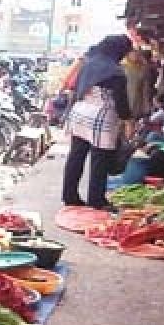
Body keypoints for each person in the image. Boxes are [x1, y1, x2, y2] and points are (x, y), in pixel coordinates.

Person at [61, 34, 133, 209]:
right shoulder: (116, 72)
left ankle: (69, 196)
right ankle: (96, 200)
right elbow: (121, 102)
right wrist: (128, 120)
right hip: (101, 117)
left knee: (76, 156)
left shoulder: (88, 63)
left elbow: (76, 87)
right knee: (100, 161)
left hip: (80, 113)